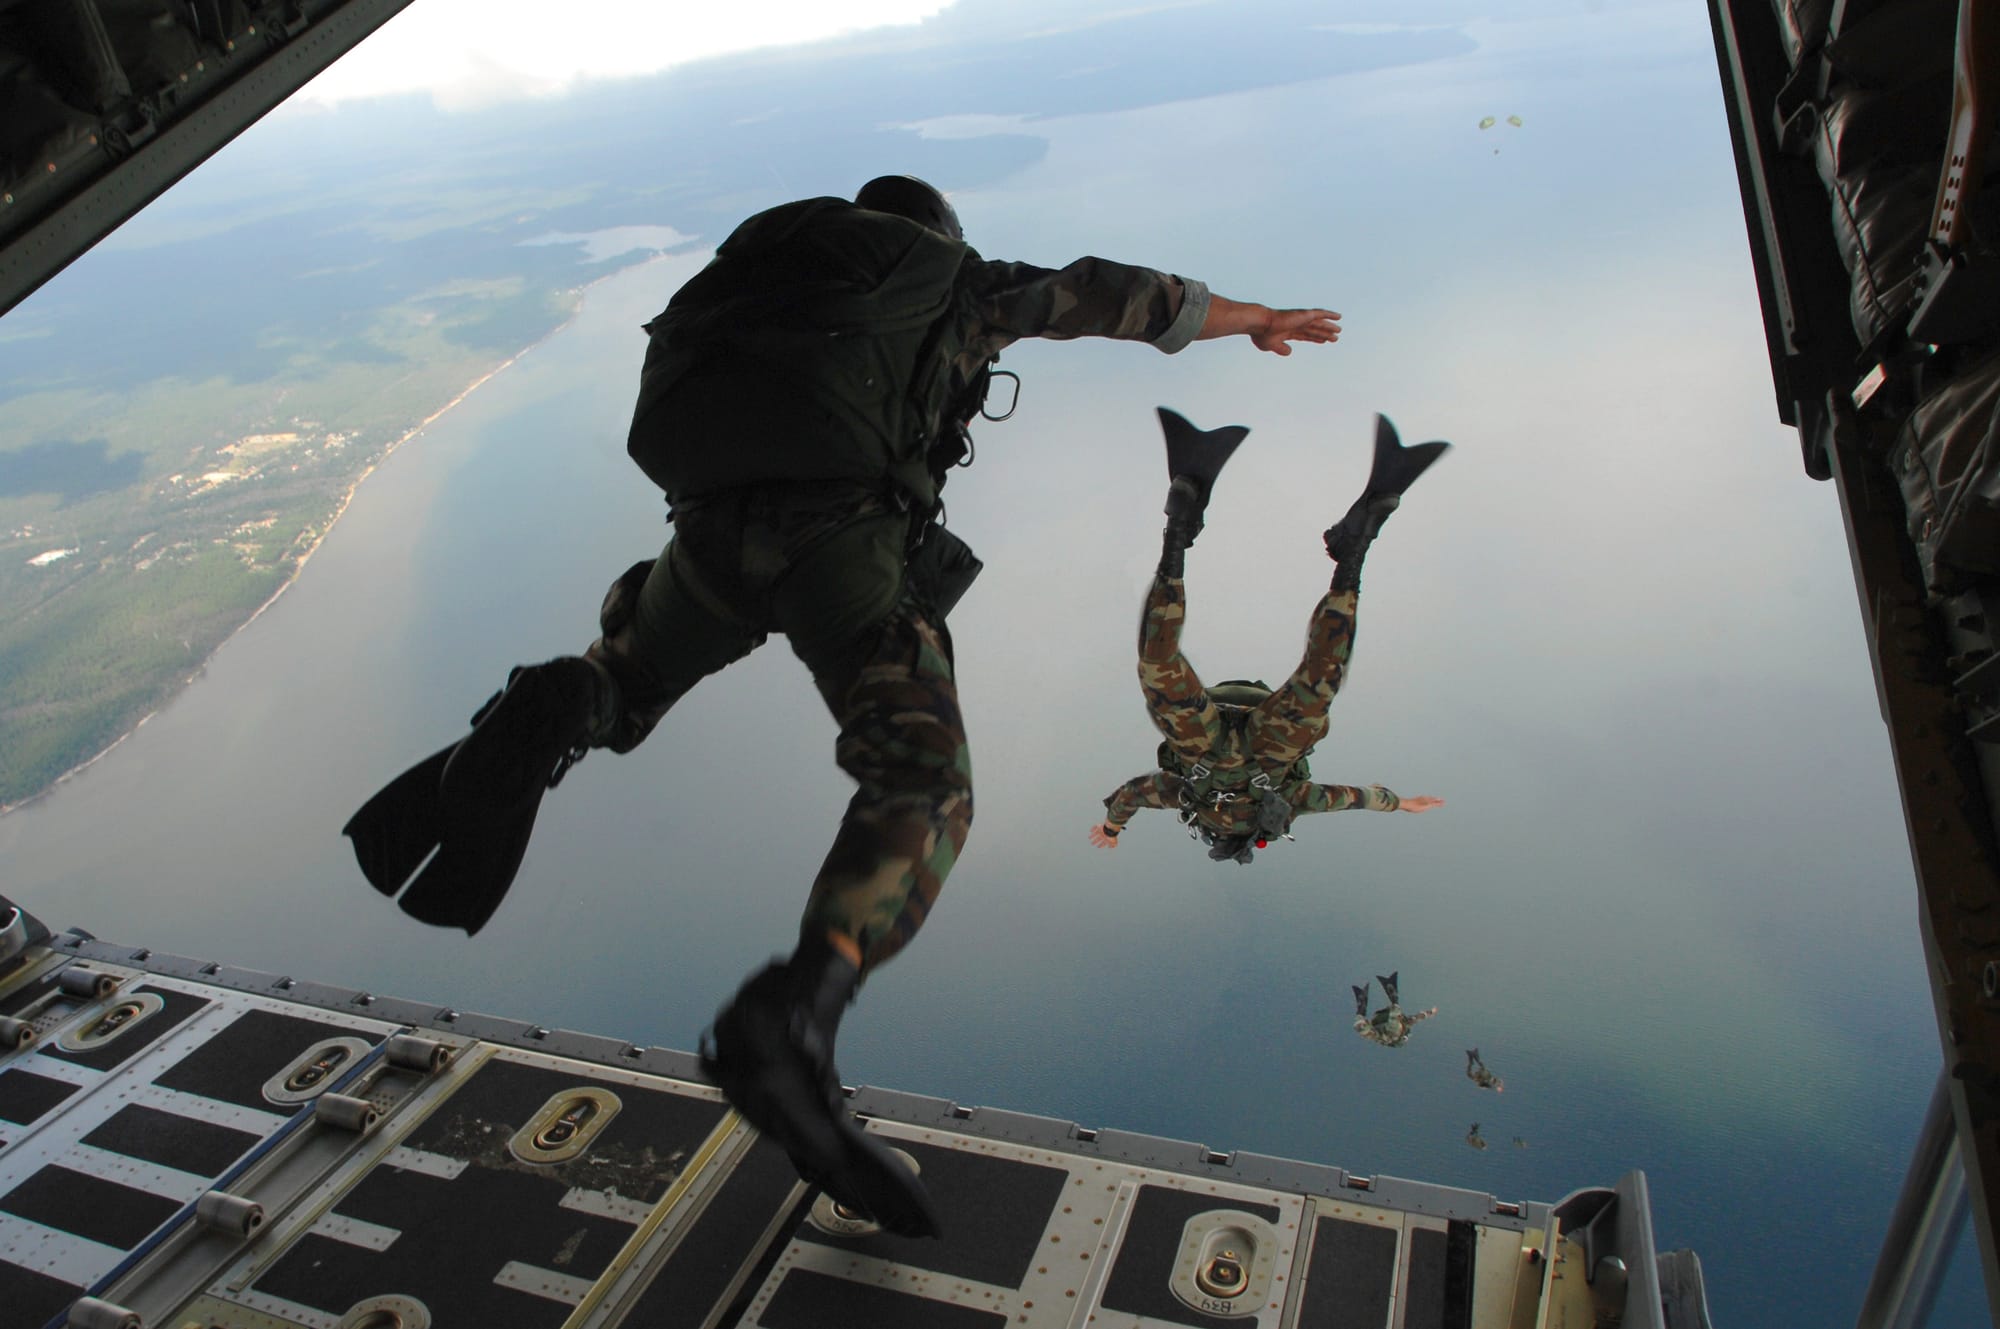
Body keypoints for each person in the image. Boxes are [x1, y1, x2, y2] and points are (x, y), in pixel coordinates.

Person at [342, 175, 1342, 1238]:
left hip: (706, 541)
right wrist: (1256, 321)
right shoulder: (955, 283)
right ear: (936, 235)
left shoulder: (753, 285)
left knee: (626, 679)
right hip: (842, 546)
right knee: (921, 779)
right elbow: (1117, 296)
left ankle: (555, 704)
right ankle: (795, 1020)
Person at [1087, 411, 1446, 863]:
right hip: (1263, 748)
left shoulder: (1190, 796)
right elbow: (1351, 798)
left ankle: (1184, 525)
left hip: (1216, 740)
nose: (1223, 828)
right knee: (1312, 679)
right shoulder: (1265, 803)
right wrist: (1112, 825)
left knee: (1317, 679)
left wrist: (1113, 825)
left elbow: (1133, 795)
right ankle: (1353, 545)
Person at [1351, 972, 1435, 1048]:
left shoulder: (1383, 1036)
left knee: (1364, 1027)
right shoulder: (1403, 1025)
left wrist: (1361, 1020)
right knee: (1394, 1021)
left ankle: (1362, 1011)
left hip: (1381, 1025)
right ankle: (1392, 1000)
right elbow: (1415, 1018)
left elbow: (1372, 1035)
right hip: (1387, 1025)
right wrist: (1429, 1013)